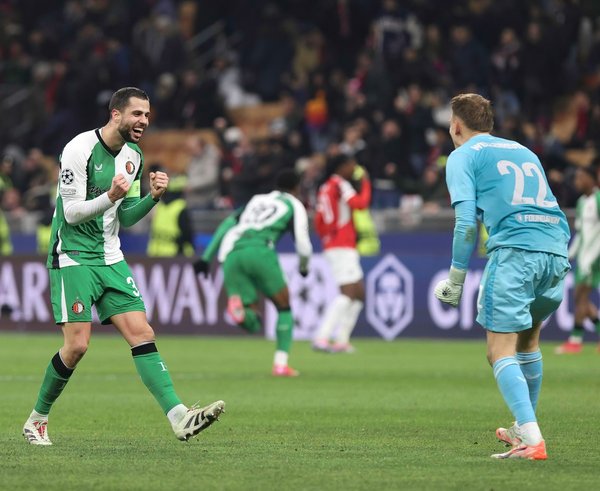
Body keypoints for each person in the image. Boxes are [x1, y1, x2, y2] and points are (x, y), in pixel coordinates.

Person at [22, 87, 224, 446]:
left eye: (147, 115)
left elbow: (124, 216)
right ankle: (37, 419)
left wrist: (153, 198)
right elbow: (70, 214)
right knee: (77, 346)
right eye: (137, 114)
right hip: (72, 255)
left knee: (142, 333)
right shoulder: (78, 149)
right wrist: (110, 196)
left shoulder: (133, 156)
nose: (143, 121)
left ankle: (179, 417)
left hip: (110, 257)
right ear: (116, 114)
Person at [434, 93, 570, 460]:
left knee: (499, 351)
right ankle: (522, 426)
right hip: (556, 251)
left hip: (516, 252)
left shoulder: (462, 155)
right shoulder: (525, 151)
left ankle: (532, 439)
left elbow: (466, 224)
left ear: (456, 125)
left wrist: (456, 281)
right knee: (527, 344)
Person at [194, 170, 312, 377]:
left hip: (232, 254)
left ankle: (240, 311)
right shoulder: (294, 204)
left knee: (252, 319)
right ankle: (281, 364)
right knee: (284, 307)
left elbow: (227, 224)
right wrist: (303, 267)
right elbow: (303, 244)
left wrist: (206, 258)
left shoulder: (256, 200)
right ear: (296, 188)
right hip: (260, 251)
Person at [312, 154, 372, 353]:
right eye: (351, 165)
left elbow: (319, 220)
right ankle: (322, 337)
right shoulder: (340, 184)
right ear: (342, 166)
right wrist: (365, 183)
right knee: (348, 294)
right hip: (342, 244)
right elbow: (360, 204)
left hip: (335, 244)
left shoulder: (325, 187)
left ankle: (341, 340)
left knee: (359, 295)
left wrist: (327, 238)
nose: (353, 169)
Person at [555, 163, 600, 354]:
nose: (578, 182)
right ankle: (577, 340)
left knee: (580, 296)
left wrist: (591, 259)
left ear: (591, 178)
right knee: (580, 297)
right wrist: (568, 255)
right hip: (583, 258)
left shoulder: (598, 198)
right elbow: (581, 234)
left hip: (594, 259)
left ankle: (575, 340)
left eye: (581, 177)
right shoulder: (582, 202)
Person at [147, 172, 195, 257]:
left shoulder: (158, 205)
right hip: (174, 255)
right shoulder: (181, 207)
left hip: (154, 254)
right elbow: (187, 235)